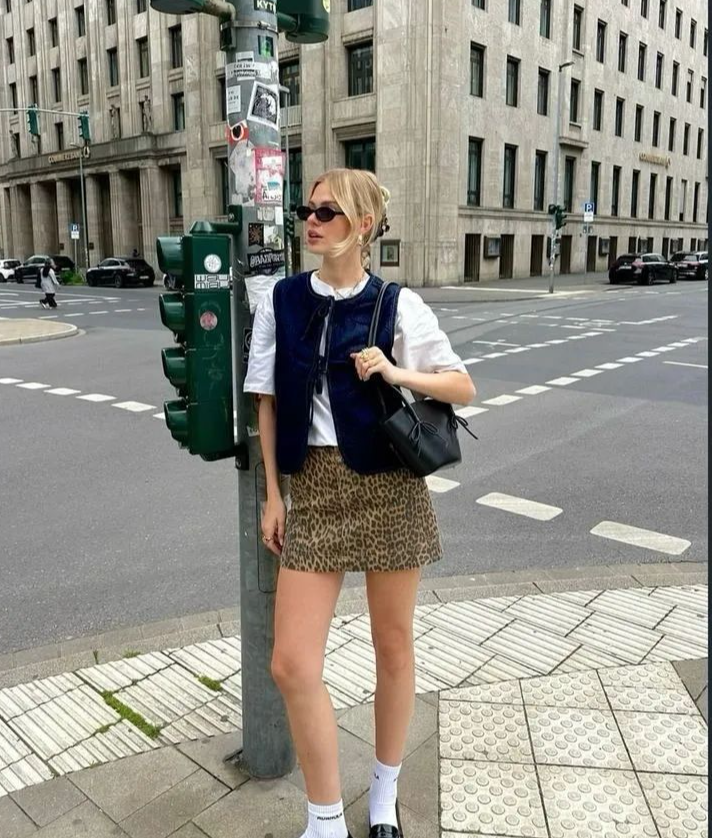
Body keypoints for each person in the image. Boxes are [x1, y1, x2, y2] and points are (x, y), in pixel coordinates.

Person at [244, 168, 476, 838]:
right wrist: (274, 496)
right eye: (307, 210)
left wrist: (395, 370)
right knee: (291, 663)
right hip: (314, 491)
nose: (312, 222)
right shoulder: (283, 300)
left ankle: (382, 794)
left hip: (388, 489)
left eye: (329, 212)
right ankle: (324, 820)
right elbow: (266, 400)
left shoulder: (396, 305)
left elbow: (462, 386)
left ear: (364, 225)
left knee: (392, 647)